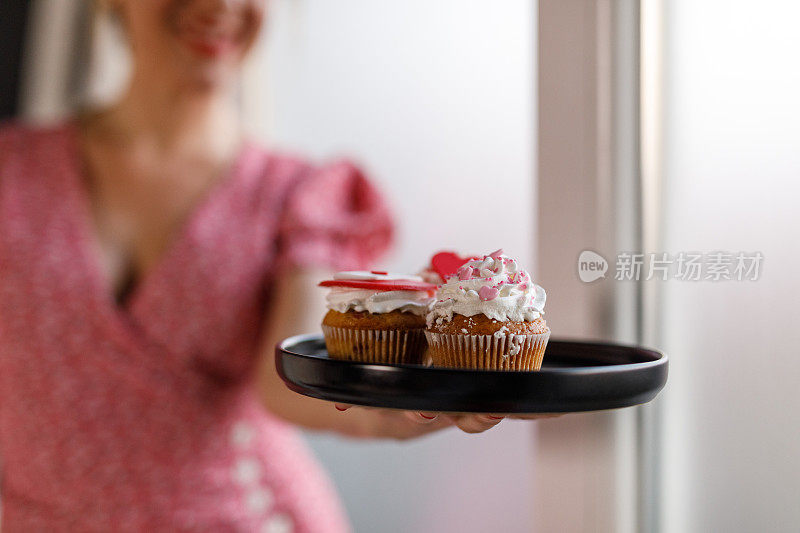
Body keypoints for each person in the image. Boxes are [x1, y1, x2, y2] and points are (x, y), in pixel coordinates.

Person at [0, 1, 551, 530]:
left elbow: (296, 378)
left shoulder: (298, 196)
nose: (221, 3)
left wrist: (427, 406)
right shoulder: (12, 170)